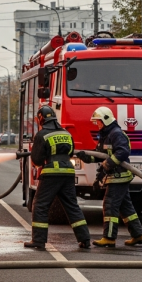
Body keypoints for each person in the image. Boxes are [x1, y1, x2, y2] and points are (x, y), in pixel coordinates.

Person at [75, 107, 142, 248]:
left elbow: (123, 151)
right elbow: (99, 154)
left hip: (119, 176)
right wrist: (86, 157)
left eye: (99, 122)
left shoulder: (116, 134)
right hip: (115, 176)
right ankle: (138, 235)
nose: (97, 125)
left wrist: (107, 164)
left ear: (106, 120)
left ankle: (109, 237)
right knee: (125, 207)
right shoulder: (106, 135)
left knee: (110, 205)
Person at [24, 105, 91, 249]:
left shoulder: (42, 135)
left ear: (41, 118)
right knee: (72, 206)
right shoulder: (66, 133)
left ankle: (39, 240)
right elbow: (71, 152)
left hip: (51, 175)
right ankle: (85, 239)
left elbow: (37, 160)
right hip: (68, 173)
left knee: (40, 205)